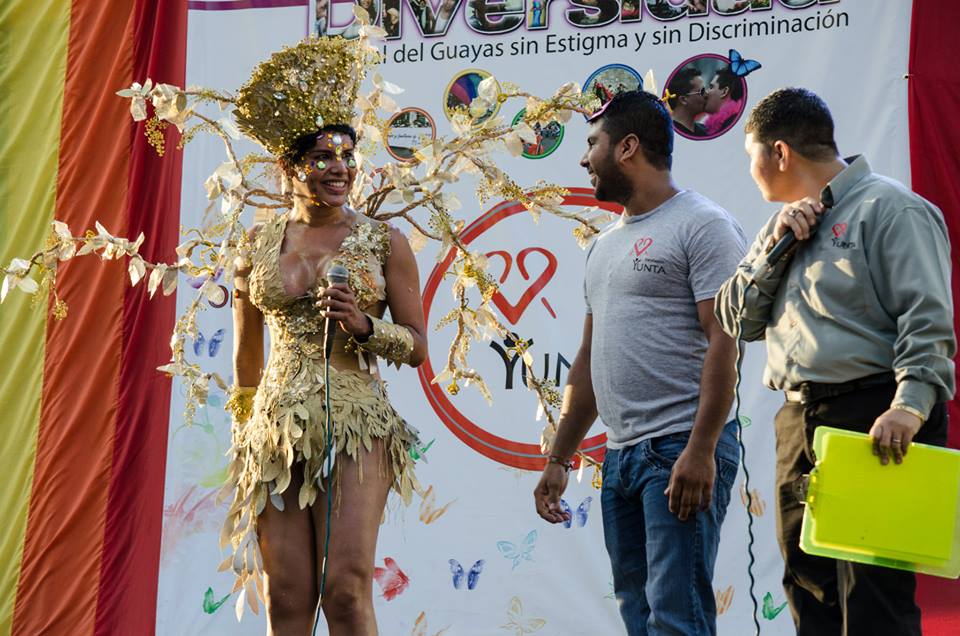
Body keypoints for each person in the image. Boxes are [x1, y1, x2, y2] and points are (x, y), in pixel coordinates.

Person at [714, 88, 955, 636]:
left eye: (749, 156)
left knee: (875, 602)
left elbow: (928, 319)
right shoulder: (778, 226)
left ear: (778, 153)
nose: (751, 172)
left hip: (874, 417)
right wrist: (777, 248)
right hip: (799, 421)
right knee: (808, 591)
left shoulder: (891, 208)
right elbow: (737, 319)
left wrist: (910, 408)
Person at [225, 37, 427, 634]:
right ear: (289, 167)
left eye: (347, 155)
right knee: (286, 598)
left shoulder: (384, 242)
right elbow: (246, 360)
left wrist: (366, 328)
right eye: (322, 156)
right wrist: (246, 437)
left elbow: (417, 346)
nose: (339, 167)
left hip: (357, 423)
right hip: (275, 431)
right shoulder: (255, 247)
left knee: (343, 590)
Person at [533, 90, 746, 636]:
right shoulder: (602, 246)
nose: (583, 158)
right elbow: (588, 359)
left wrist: (700, 451)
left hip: (680, 448)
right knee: (639, 617)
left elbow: (725, 342)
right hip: (622, 457)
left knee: (677, 620)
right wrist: (560, 456)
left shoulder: (704, 225)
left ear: (627, 147)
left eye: (592, 143)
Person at [665, 67, 708, 137]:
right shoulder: (665, 134)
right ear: (683, 100)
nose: (707, 95)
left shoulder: (706, 131)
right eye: (702, 91)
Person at [703, 66, 744, 136]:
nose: (707, 92)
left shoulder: (729, 124)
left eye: (711, 87)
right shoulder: (735, 120)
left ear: (724, 91)